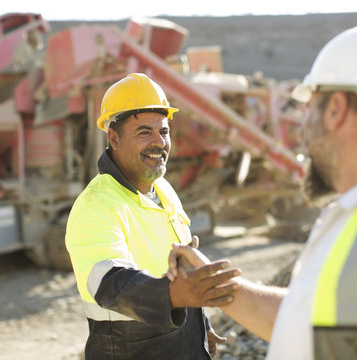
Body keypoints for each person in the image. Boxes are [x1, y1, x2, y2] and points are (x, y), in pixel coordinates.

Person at [167, 23, 357, 360]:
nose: (301, 129)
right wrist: (216, 285)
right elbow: (312, 323)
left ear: (335, 110)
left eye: (307, 109)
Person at [65, 73, 241, 360]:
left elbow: (180, 271)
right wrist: (175, 296)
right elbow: (109, 283)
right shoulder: (97, 205)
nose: (159, 142)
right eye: (144, 132)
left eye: (164, 131)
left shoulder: (163, 189)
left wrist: (200, 325)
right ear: (114, 138)